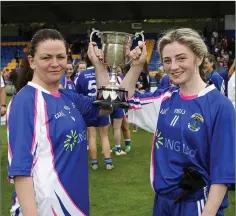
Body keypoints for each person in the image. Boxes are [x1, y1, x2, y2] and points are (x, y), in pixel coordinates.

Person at [124, 28, 234, 216]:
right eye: (167, 61)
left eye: (181, 58)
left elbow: (222, 171)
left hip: (197, 205)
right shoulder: (166, 97)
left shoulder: (219, 106)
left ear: (198, 58)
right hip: (162, 203)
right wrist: (136, 67)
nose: (173, 66)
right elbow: (124, 101)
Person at [7, 28, 114, 216]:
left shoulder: (68, 97)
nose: (55, 64)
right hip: (46, 207)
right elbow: (21, 170)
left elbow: (107, 105)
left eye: (61, 57)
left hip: (74, 203)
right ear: (32, 61)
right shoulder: (26, 101)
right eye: (46, 57)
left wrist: (98, 65)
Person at [75, 55, 113, 170]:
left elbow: (78, 94)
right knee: (104, 136)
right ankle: (108, 162)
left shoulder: (82, 74)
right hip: (103, 106)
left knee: (91, 136)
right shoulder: (104, 72)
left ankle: (94, 162)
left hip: (89, 108)